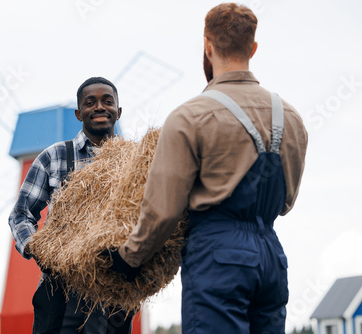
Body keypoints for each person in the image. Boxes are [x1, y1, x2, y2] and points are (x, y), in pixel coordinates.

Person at [107, 3, 308, 334]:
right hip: (272, 257)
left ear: (208, 45)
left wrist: (129, 257)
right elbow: (287, 202)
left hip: (218, 257)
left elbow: (163, 211)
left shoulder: (189, 116)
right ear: (253, 48)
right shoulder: (291, 117)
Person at [8, 77, 133, 334]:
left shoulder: (135, 161)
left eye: (107, 101)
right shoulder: (54, 156)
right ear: (78, 113)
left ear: (118, 112)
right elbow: (20, 214)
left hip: (116, 293)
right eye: (90, 103)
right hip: (61, 292)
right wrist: (38, 249)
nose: (99, 107)